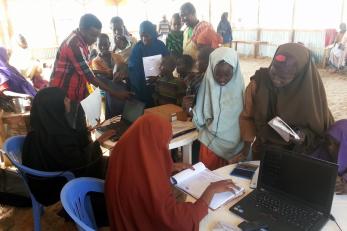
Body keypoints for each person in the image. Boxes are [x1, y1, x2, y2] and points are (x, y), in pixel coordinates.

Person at [105, 113, 237, 231]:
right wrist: (210, 191)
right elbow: (177, 221)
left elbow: (142, 169)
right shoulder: (152, 184)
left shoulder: (122, 150)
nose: (165, 149)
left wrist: (169, 166)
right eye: (164, 145)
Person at [240, 43, 334, 160]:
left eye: (284, 79)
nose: (276, 80)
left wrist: (303, 136)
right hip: (263, 151)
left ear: (299, 75)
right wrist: (245, 149)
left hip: (299, 156)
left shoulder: (310, 93)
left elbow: (322, 130)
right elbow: (247, 118)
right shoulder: (258, 84)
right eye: (273, 73)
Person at [22, 87, 115, 205]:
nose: (69, 100)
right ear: (55, 106)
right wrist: (98, 142)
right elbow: (79, 162)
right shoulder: (58, 136)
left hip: (41, 183)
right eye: (65, 99)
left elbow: (66, 149)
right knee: (112, 166)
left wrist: (84, 133)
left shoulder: (42, 127)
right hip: (55, 186)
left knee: (109, 163)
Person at [50, 14, 131, 102]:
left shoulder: (82, 41)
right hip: (64, 95)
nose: (95, 40)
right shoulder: (74, 45)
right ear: (82, 30)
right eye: (93, 35)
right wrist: (116, 93)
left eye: (97, 36)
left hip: (75, 94)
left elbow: (85, 71)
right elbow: (90, 77)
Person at [192, 47, 245, 170]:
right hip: (211, 148)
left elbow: (246, 121)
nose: (222, 79)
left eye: (227, 74)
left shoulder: (243, 93)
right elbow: (199, 117)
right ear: (211, 70)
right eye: (217, 74)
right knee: (208, 181)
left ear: (235, 70)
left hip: (237, 151)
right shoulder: (206, 88)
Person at [128, 20, 169, 107]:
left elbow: (168, 63)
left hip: (161, 85)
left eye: (146, 35)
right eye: (142, 36)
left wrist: (159, 76)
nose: (144, 39)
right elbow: (132, 68)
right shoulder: (137, 48)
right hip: (143, 88)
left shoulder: (160, 45)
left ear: (153, 34)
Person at [312, 120, 347, 194]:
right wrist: (328, 175)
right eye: (328, 142)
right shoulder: (323, 152)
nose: (329, 147)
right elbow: (309, 168)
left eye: (336, 144)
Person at [182, 47, 214, 111]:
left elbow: (189, 101)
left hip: (196, 113)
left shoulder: (199, 80)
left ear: (207, 63)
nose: (196, 63)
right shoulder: (198, 76)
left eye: (198, 60)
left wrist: (188, 85)